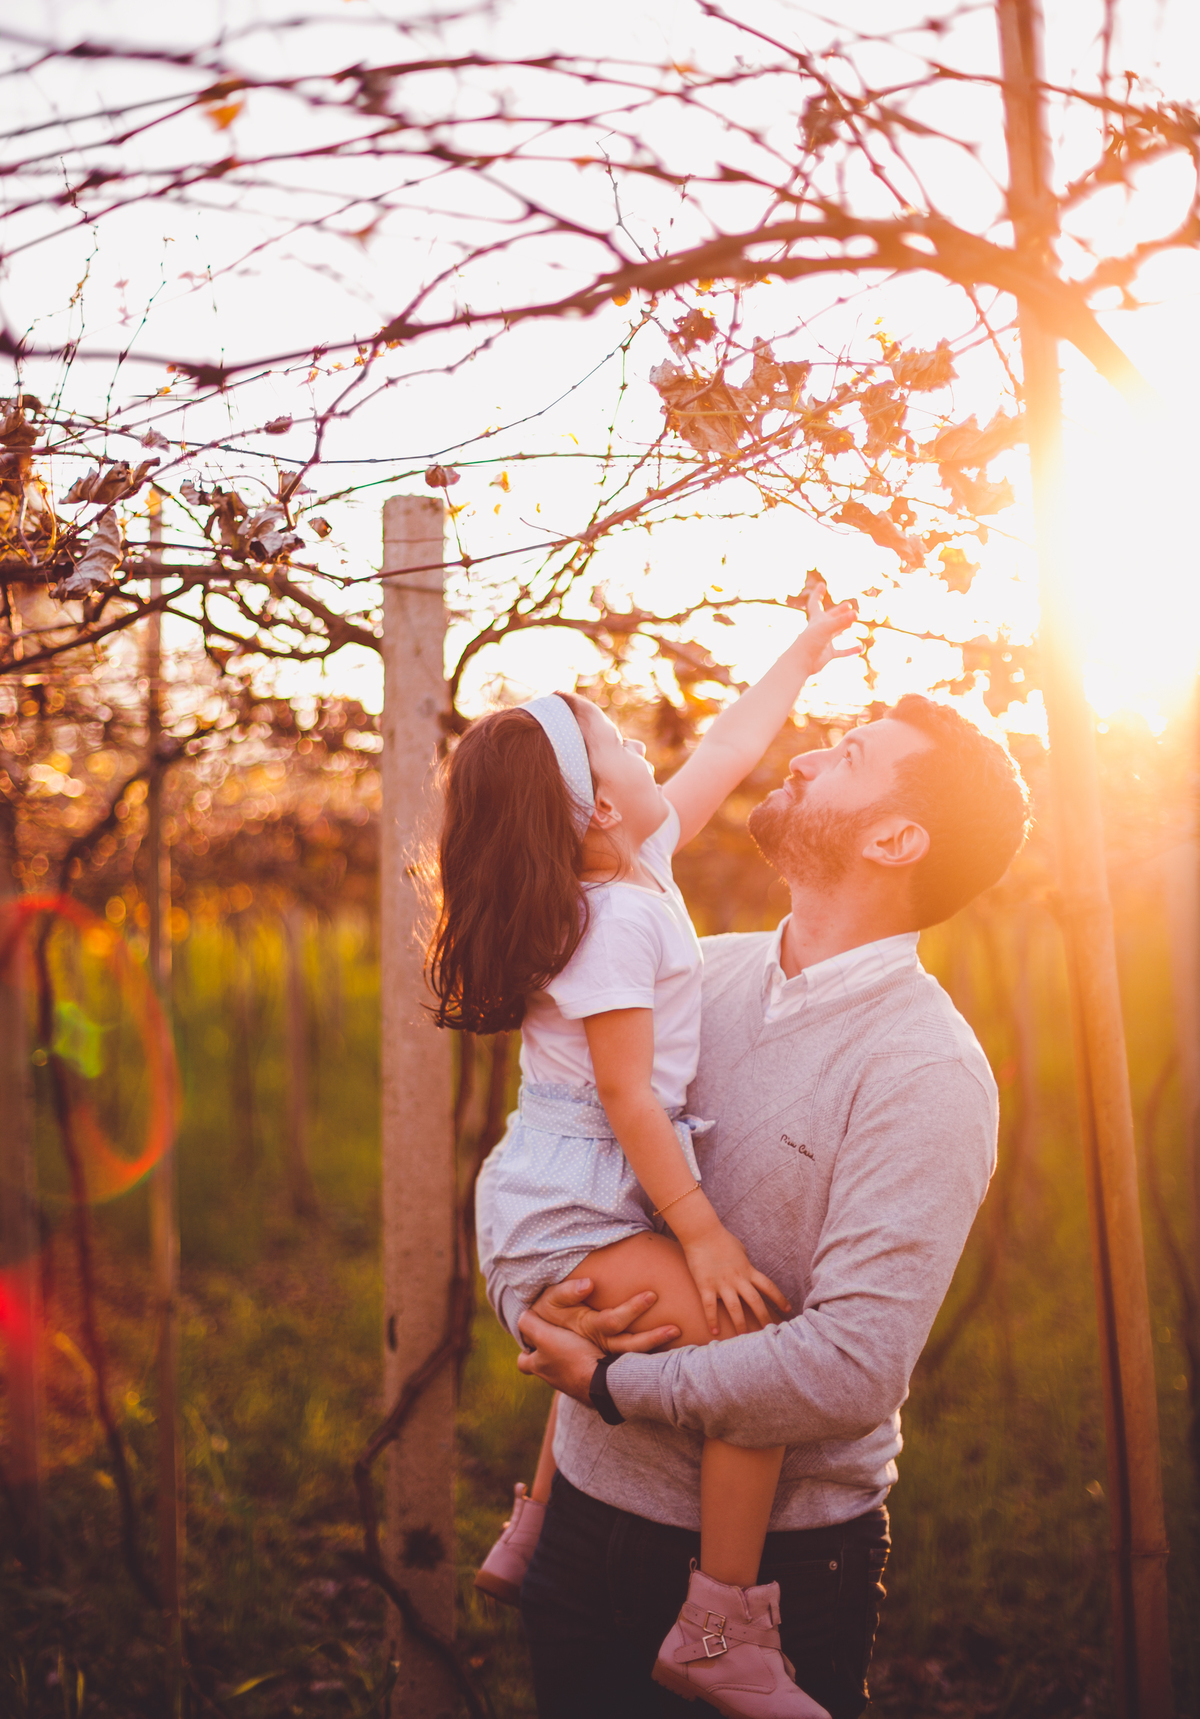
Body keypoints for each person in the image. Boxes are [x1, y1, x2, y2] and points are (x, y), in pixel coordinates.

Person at [508, 691, 1031, 1719]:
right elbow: (573, 1165)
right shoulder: (700, 972)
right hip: (580, 1521)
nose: (800, 760)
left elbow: (848, 1369)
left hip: (775, 1572)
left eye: (845, 756)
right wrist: (539, 1303)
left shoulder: (924, 1071)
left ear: (896, 836)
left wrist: (614, 1382)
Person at [428, 593, 861, 1718]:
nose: (644, 744)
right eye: (619, 738)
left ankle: (533, 1527)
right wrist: (705, 1233)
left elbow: (729, 743)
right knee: (748, 1347)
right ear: (596, 807)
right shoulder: (610, 920)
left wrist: (801, 658)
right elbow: (627, 1096)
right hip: (569, 1207)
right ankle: (721, 1622)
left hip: (571, 1194)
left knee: (648, 1331)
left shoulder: (636, 864)